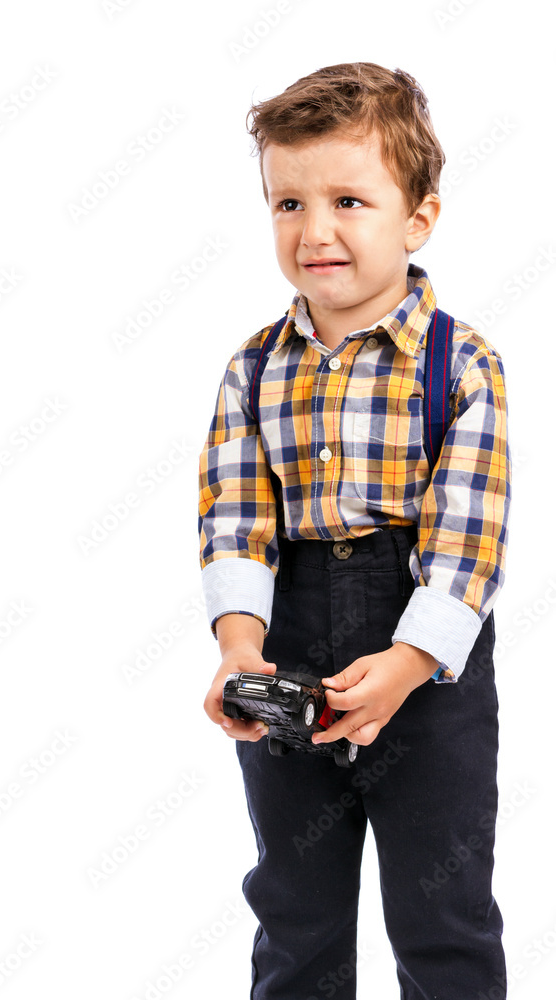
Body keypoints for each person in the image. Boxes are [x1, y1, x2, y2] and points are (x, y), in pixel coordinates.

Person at [197, 62, 511, 1000]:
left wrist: (411, 660)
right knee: (294, 904)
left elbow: (469, 533)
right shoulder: (254, 368)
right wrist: (238, 650)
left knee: (442, 909)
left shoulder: (463, 364)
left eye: (347, 199)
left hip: (423, 655)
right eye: (287, 202)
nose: (314, 230)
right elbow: (235, 518)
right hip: (289, 640)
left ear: (417, 220)